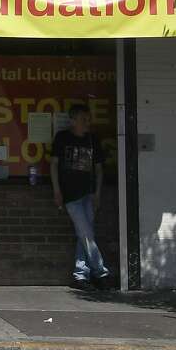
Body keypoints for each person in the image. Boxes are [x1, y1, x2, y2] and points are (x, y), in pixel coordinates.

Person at [50, 103, 111, 289]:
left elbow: (99, 169)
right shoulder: (62, 138)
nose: (87, 123)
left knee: (83, 235)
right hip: (71, 195)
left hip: (89, 195)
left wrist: (98, 194)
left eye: (88, 119)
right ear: (73, 120)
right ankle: (100, 272)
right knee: (86, 234)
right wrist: (57, 191)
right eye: (83, 119)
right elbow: (53, 165)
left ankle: (80, 276)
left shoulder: (93, 139)